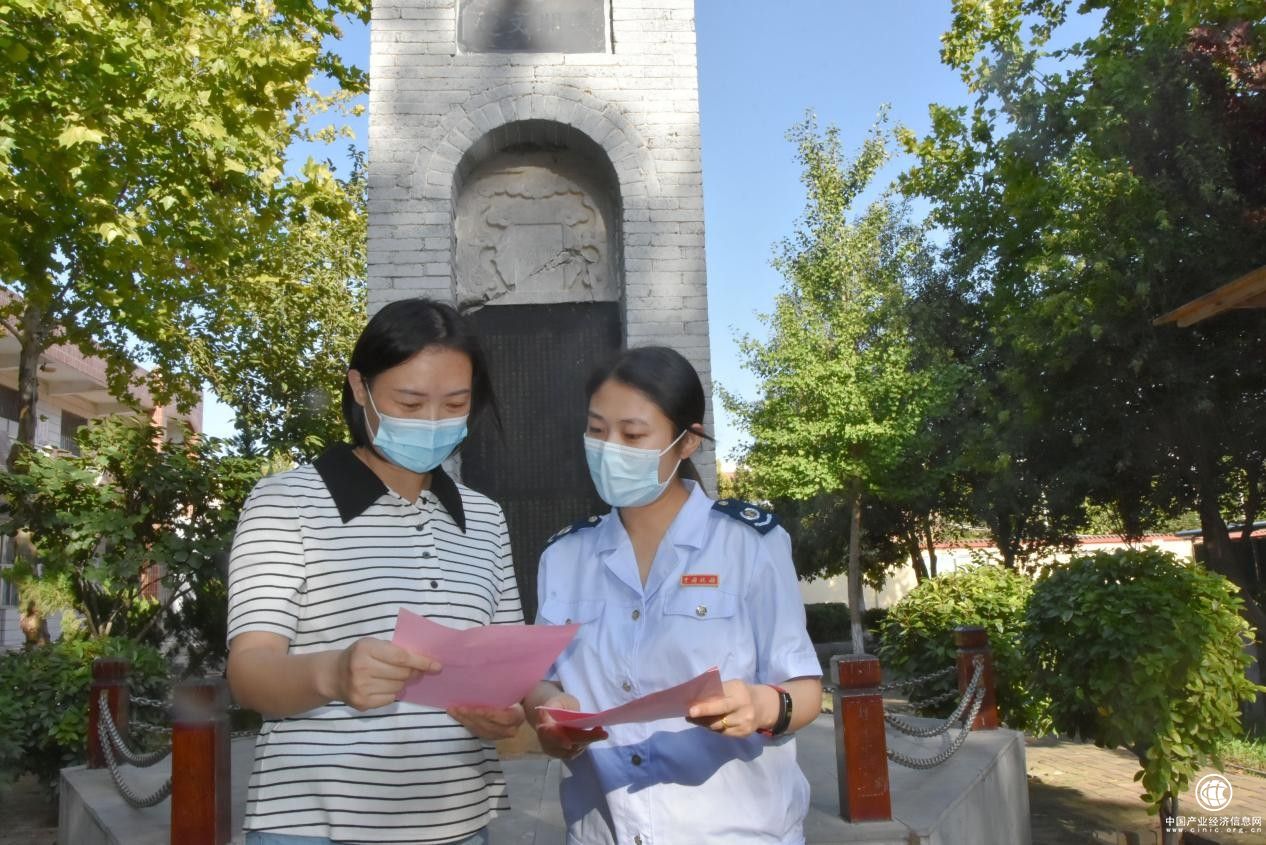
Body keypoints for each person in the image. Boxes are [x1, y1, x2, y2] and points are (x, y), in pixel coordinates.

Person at [226, 298, 525, 845]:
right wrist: (334, 674)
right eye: (409, 402)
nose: (433, 422)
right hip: (314, 824)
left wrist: (512, 713)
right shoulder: (285, 502)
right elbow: (248, 673)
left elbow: (507, 670)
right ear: (360, 388)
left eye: (455, 402)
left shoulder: (484, 517)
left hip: (458, 824)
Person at [523, 346, 824, 845]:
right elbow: (541, 681)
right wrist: (550, 712)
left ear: (686, 441)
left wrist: (762, 705)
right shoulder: (563, 557)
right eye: (597, 431)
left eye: (633, 434)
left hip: (735, 833)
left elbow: (805, 691)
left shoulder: (749, 544)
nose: (610, 448)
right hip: (605, 831)